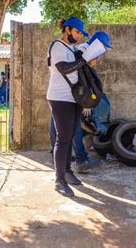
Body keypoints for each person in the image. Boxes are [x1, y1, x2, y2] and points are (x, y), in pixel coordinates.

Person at [47, 16, 91, 197]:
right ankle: (59, 180)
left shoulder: (72, 48)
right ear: (67, 29)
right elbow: (64, 68)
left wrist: (88, 57)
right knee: (63, 138)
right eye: (77, 32)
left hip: (74, 98)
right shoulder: (57, 46)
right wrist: (84, 60)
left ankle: (67, 170)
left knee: (71, 135)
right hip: (59, 98)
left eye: (81, 33)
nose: (79, 36)